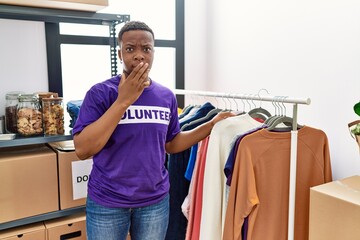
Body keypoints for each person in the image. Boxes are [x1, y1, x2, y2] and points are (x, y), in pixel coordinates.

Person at [72, 20, 234, 240]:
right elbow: (83, 149)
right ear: (120, 54)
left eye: (146, 49)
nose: (139, 55)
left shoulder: (165, 96)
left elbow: (171, 143)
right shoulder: (100, 93)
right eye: (130, 49)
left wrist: (210, 125)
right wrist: (123, 101)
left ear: (153, 53)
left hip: (154, 203)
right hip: (107, 202)